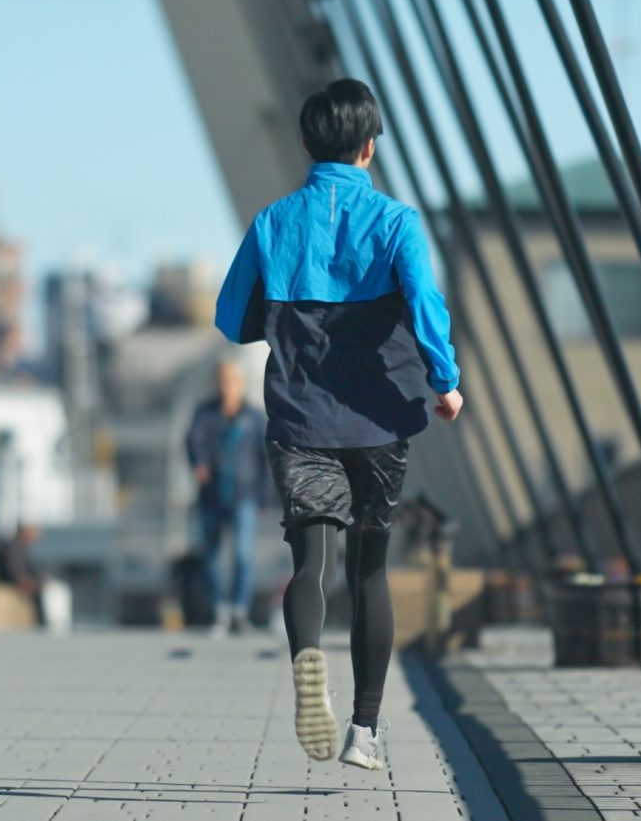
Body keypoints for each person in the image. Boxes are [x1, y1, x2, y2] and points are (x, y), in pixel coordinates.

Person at [214, 78, 462, 771]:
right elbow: (425, 303)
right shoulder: (395, 222)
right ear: (369, 146)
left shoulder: (272, 222)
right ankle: (365, 729)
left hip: (299, 417)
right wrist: (445, 382)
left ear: (303, 142)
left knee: (311, 563)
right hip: (379, 420)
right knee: (370, 570)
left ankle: (307, 663)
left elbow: (232, 320)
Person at [185, 358, 269, 637]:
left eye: (232, 382)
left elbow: (265, 459)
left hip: (244, 496)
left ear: (241, 385)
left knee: (243, 555)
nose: (227, 388)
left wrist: (264, 498)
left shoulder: (255, 418)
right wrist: (199, 463)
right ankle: (219, 609)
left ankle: (240, 610)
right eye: (223, 382)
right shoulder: (205, 414)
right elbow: (193, 442)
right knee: (210, 555)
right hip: (211, 495)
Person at [0, 524, 46, 628]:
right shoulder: (15, 547)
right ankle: (40, 626)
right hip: (16, 584)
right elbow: (15, 569)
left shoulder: (21, 547)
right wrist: (25, 582)